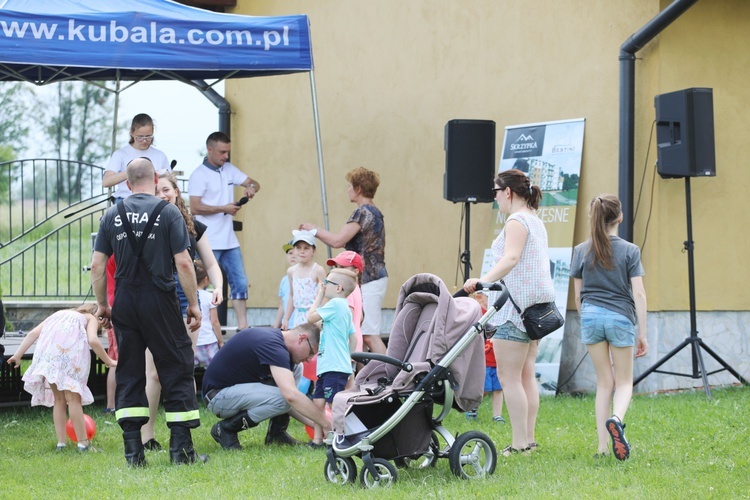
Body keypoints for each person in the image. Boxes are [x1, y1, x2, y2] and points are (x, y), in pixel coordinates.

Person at [91, 157, 204, 467]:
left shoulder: (111, 214)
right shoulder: (168, 212)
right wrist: (193, 305)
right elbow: (183, 263)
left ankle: (133, 453)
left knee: (129, 370)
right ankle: (181, 452)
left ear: (127, 183)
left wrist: (103, 305)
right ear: (155, 178)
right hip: (161, 299)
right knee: (176, 365)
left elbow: (98, 265)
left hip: (125, 300)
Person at [463, 169, 554, 456]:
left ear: (508, 192)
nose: (495, 198)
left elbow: (511, 258)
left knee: (510, 377)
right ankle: (528, 440)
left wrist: (482, 281)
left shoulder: (516, 220)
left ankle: (519, 444)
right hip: (533, 311)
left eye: (495, 192)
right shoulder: (535, 221)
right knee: (526, 375)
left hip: (513, 310)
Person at [136, 171, 225, 451]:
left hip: (187, 305)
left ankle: (185, 436)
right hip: (156, 304)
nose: (162, 195)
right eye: (157, 191)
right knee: (153, 374)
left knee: (184, 370)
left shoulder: (193, 227)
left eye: (166, 189)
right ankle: (146, 436)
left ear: (176, 192)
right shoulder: (148, 225)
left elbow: (210, 264)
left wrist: (218, 286)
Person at [571, 194, 648, 461]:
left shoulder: (581, 250)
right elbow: (638, 294)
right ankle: (617, 419)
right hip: (620, 318)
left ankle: (602, 448)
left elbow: (578, 295)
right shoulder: (630, 250)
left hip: (591, 317)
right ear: (619, 217)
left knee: (604, 382)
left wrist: (587, 319)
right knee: (624, 382)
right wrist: (643, 333)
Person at [300, 166, 388, 355]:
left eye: (349, 186)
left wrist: (313, 230)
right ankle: (365, 376)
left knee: (370, 334)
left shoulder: (362, 212)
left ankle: (394, 376)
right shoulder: (376, 212)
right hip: (372, 279)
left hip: (369, 280)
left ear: (358, 189)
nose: (347, 190)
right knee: (361, 331)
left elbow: (338, 240)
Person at [201, 323, 331, 450]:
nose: (309, 359)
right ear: (302, 339)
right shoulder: (274, 346)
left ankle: (276, 434)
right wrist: (326, 423)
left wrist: (315, 423)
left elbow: (291, 401)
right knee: (284, 396)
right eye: (310, 353)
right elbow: (290, 397)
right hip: (217, 397)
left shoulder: (279, 342)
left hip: (231, 391)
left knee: (295, 370)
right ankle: (225, 429)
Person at [6, 304, 116, 452]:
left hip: (49, 358)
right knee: (73, 400)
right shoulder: (91, 317)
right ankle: (83, 444)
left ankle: (61, 443)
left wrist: (18, 355)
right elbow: (93, 340)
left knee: (59, 400)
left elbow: (33, 333)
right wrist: (108, 361)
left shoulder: (58, 314)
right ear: (97, 314)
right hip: (69, 359)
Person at [188, 131, 260, 330]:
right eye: (221, 152)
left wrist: (251, 188)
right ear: (209, 150)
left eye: (227, 152)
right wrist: (224, 208)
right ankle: (201, 327)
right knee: (203, 284)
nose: (225, 156)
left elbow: (255, 182)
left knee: (240, 282)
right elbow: (194, 207)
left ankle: (242, 327)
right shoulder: (198, 175)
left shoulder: (229, 169)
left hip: (229, 241)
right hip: (207, 241)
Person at [305, 269, 358, 448]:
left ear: (338, 288)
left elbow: (310, 317)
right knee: (318, 402)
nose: (324, 284)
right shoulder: (344, 308)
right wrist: (348, 360)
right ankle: (318, 440)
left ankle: (338, 439)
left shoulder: (335, 304)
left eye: (327, 282)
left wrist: (319, 295)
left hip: (333, 366)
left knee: (333, 403)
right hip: (332, 365)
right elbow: (354, 338)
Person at [102, 113, 171, 202]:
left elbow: (170, 182)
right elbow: (106, 182)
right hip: (125, 200)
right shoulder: (121, 154)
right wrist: (133, 171)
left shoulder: (160, 155)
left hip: (153, 200)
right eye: (140, 137)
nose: (145, 140)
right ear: (132, 133)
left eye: (149, 136)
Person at [466, 293, 505, 423]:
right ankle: (472, 407)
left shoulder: (501, 314)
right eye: (491, 297)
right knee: (484, 388)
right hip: (484, 361)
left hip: (498, 359)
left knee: (498, 388)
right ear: (480, 298)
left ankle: (497, 415)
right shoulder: (478, 314)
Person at [282, 230, 326, 330]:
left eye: (306, 248)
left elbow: (325, 296)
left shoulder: (318, 270)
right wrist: (286, 319)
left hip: (314, 317)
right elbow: (292, 296)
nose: (302, 251)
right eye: (298, 248)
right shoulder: (291, 271)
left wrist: (322, 318)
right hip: (298, 317)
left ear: (313, 251)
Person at [194, 259, 224, 368]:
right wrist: (220, 341)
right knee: (215, 369)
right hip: (208, 342)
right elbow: (215, 322)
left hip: (193, 342)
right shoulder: (209, 296)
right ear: (206, 279)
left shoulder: (185, 298)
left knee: (188, 374)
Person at [273, 242, 296, 329]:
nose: (292, 256)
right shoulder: (284, 280)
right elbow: (283, 304)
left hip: (301, 324)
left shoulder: (308, 277)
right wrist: (276, 327)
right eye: (290, 253)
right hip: (287, 325)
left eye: (295, 253)